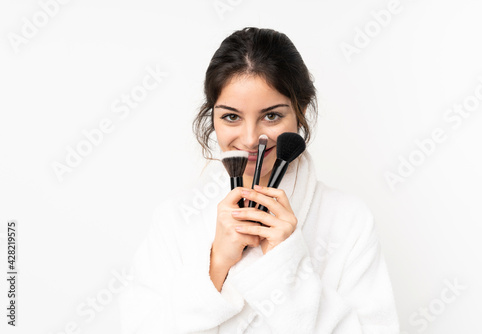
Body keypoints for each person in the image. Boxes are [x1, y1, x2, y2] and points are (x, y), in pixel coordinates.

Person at [119, 27, 400, 333]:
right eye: (231, 117)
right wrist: (216, 265)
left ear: (300, 112)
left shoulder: (349, 221)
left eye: (271, 116)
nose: (252, 139)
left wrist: (286, 264)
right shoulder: (174, 219)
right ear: (212, 117)